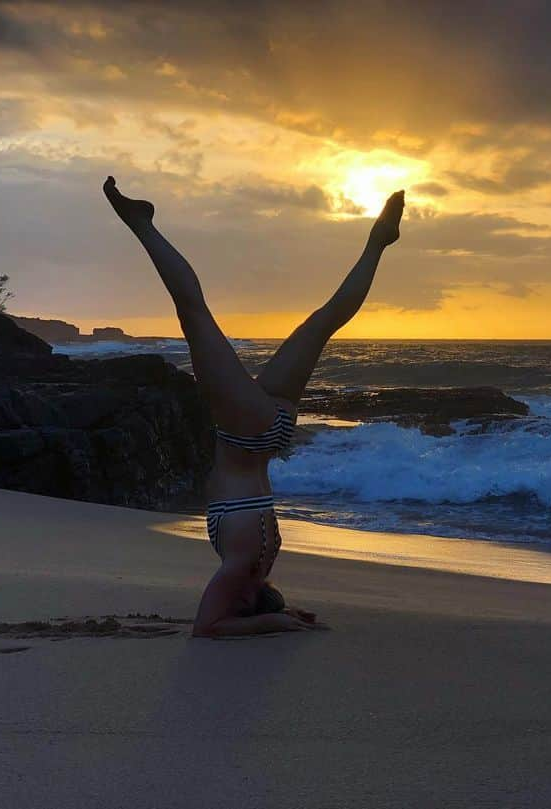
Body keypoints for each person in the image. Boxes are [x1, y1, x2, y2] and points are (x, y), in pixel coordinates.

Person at [102, 175, 403, 637]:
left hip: (270, 434)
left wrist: (277, 616)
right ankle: (140, 223)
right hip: (249, 435)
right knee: (194, 312)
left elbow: (221, 618)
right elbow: (208, 628)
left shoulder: (256, 563)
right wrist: (276, 621)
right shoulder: (241, 564)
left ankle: (378, 244)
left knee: (324, 321)